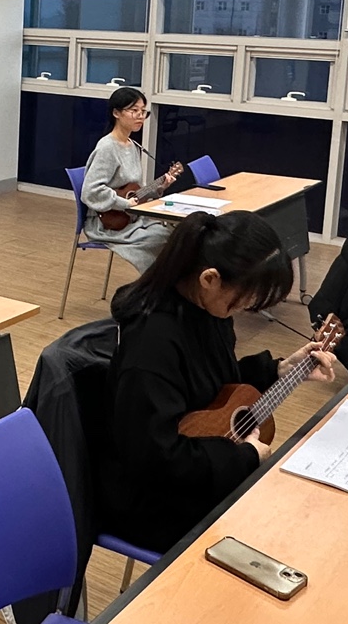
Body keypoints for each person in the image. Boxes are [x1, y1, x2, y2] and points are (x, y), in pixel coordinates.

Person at [96, 211, 335, 553]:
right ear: (210, 279)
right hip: (153, 502)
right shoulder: (151, 345)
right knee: (285, 524)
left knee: (302, 505)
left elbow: (213, 389)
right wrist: (244, 458)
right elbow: (156, 458)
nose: (248, 307)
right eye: (247, 298)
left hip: (191, 470)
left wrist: (281, 369)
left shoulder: (207, 310)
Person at [79, 87, 176, 274]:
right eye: (134, 111)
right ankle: (154, 283)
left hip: (130, 218)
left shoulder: (132, 145)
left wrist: (159, 188)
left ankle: (161, 282)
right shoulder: (107, 148)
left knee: (175, 235)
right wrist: (124, 203)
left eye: (143, 111)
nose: (140, 116)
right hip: (107, 223)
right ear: (116, 113)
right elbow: (91, 191)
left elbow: (134, 191)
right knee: (162, 238)